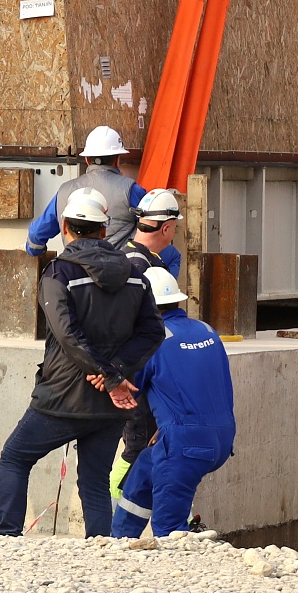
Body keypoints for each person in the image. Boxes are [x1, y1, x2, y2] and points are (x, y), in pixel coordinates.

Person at [0, 188, 164, 538]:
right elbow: (152, 332)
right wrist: (114, 372)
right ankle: (99, 547)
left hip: (61, 399)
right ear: (104, 230)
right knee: (94, 481)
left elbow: (68, 335)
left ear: (64, 228)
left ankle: (6, 538)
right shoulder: (136, 275)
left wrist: (109, 374)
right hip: (108, 405)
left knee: (14, 458)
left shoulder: (58, 274)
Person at [111, 267, 235, 539]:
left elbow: (126, 392)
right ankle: (120, 543)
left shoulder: (153, 340)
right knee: (144, 467)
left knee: (169, 533)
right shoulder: (206, 330)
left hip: (185, 446)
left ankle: (180, 574)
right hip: (221, 439)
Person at [111, 188, 185, 505]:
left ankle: (122, 507)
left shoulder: (131, 256)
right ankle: (114, 504)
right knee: (137, 442)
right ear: (167, 228)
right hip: (134, 371)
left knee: (140, 441)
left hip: (133, 368)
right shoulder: (139, 266)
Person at [27, 126, 147, 256]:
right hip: (119, 272)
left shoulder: (64, 191)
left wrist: (36, 251)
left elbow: (36, 234)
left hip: (72, 271)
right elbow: (153, 227)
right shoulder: (131, 190)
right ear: (118, 159)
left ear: (87, 159)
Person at [123, 188, 183, 277]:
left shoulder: (133, 258)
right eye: (174, 228)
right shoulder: (138, 267)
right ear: (165, 229)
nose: (174, 232)